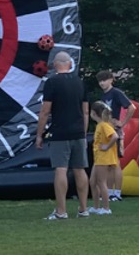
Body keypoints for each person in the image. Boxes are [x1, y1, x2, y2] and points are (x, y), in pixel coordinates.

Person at [36, 52, 90, 220]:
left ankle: (61, 211)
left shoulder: (52, 83)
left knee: (61, 169)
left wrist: (39, 135)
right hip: (79, 132)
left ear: (55, 64)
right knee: (80, 169)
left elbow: (45, 111)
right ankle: (83, 209)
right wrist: (83, 132)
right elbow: (86, 111)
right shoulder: (80, 82)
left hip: (59, 132)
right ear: (69, 64)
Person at [96, 70, 136, 202]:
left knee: (116, 163)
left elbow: (131, 108)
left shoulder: (116, 93)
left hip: (115, 131)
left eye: (104, 80)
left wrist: (122, 123)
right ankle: (109, 192)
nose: (102, 83)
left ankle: (117, 193)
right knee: (109, 163)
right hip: (106, 130)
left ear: (111, 79)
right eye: (100, 81)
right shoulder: (103, 96)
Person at [87, 101, 119, 215]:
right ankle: (96, 207)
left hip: (103, 158)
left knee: (101, 182)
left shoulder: (104, 125)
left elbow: (115, 136)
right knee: (93, 181)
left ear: (94, 113)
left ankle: (106, 208)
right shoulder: (100, 125)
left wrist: (106, 147)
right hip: (98, 158)